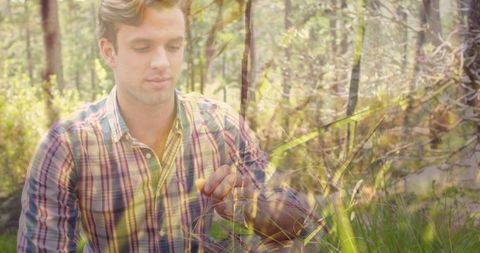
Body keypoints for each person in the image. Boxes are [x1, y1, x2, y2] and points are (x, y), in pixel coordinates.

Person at [17, 0, 311, 252]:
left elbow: (297, 222)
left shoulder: (221, 125)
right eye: (142, 47)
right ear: (109, 52)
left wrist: (253, 205)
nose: (161, 62)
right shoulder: (66, 145)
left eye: (173, 46)